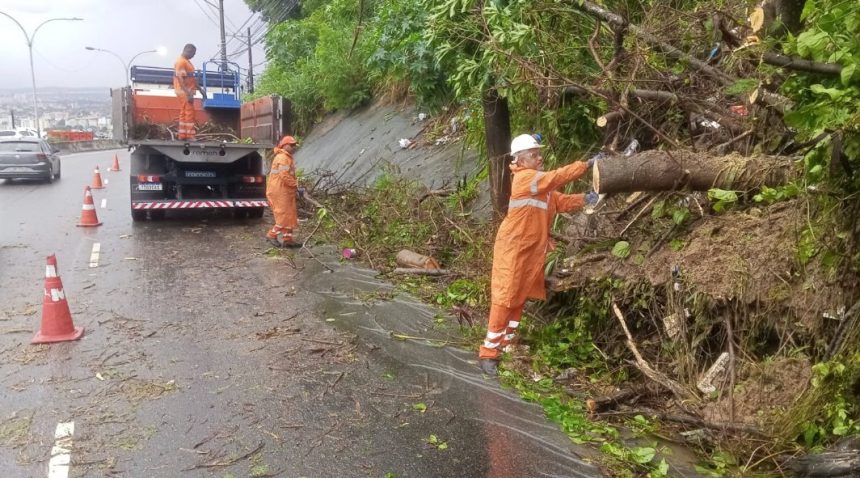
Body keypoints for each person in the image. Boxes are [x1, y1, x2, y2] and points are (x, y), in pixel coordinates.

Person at [479, 134, 600, 375]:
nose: (539, 157)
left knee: (519, 296)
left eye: (538, 153)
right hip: (513, 250)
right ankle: (488, 354)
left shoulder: (541, 187)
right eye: (534, 155)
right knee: (505, 297)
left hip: (530, 251)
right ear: (521, 161)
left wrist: (586, 198)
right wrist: (586, 165)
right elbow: (555, 178)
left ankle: (506, 343)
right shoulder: (526, 179)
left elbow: (561, 201)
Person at [266, 135, 300, 247]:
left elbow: (287, 176)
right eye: (291, 145)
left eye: (294, 145)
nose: (293, 147)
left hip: (284, 190)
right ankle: (272, 235)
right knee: (283, 216)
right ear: (285, 145)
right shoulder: (282, 158)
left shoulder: (286, 157)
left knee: (289, 215)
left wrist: (294, 186)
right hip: (279, 191)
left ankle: (288, 240)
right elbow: (284, 176)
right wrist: (296, 185)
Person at [173, 44, 204, 141]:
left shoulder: (186, 62)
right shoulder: (181, 62)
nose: (193, 56)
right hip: (184, 92)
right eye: (193, 53)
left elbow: (192, 78)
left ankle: (182, 135)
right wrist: (188, 93)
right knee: (189, 113)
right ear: (188, 51)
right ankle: (190, 136)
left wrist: (200, 89)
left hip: (185, 91)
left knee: (184, 112)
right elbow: (180, 79)